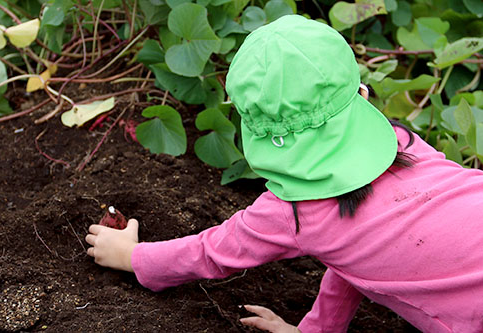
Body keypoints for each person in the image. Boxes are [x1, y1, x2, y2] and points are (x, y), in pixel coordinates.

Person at [85, 15, 483, 333]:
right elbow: (351, 257)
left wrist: (133, 257)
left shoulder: (296, 211)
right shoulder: (402, 144)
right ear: (359, 95)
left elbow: (211, 253)